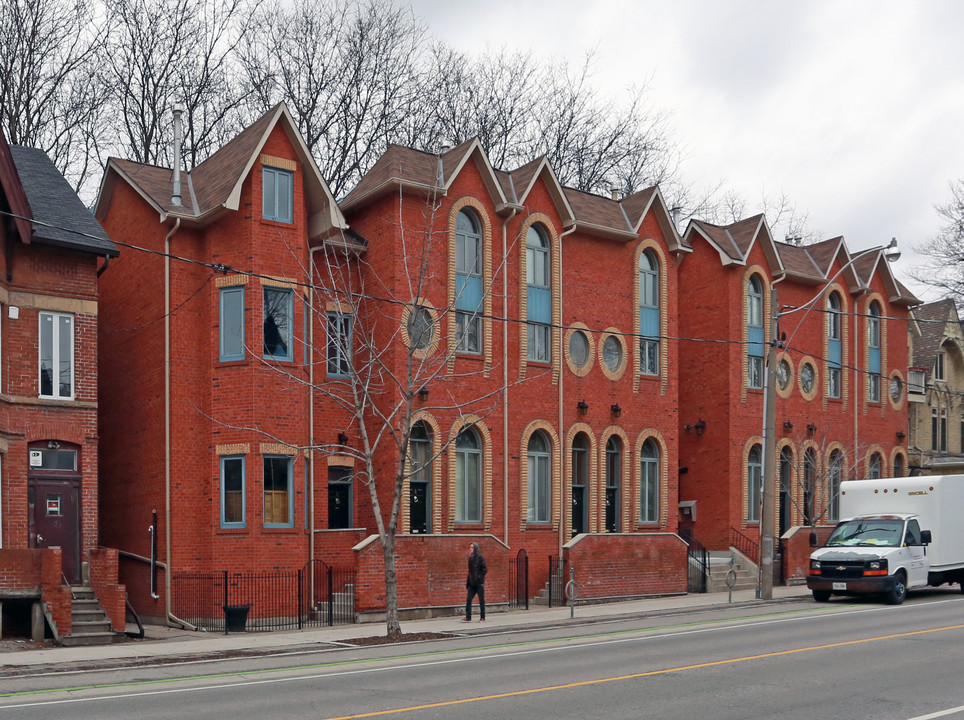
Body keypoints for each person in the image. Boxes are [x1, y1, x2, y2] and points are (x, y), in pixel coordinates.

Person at [462, 541, 487, 622]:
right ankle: (468, 616)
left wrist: (479, 577)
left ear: (475, 548)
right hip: (472, 584)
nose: (470, 549)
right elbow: (470, 571)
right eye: (470, 547)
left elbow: (484, 569)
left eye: (472, 547)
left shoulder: (480, 558)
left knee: (481, 600)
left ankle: (482, 617)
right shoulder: (471, 558)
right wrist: (468, 582)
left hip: (479, 584)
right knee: (468, 599)